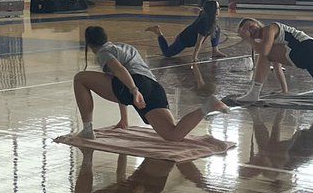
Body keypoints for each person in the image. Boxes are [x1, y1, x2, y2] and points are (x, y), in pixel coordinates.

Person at [74, 26, 226, 140]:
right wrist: (124, 119)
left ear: (90, 44)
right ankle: (208, 106)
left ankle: (88, 129)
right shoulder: (124, 47)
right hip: (154, 87)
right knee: (173, 134)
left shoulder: (103, 52)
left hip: (136, 84)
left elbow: (120, 71)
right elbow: (119, 79)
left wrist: (134, 90)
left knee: (80, 78)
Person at [236, 19, 313, 104]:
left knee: (264, 54)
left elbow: (265, 52)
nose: (251, 30)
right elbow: (277, 67)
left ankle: (254, 93)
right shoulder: (272, 45)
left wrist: (248, 39)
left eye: (251, 26)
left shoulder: (269, 28)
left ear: (257, 23)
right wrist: (284, 90)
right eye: (247, 30)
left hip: (307, 49)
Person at [148, 0, 225, 62]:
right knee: (167, 53)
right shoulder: (205, 24)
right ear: (212, 10)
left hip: (190, 37)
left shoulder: (207, 15)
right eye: (218, 8)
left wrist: (190, 9)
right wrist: (194, 57)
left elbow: (198, 10)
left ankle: (215, 50)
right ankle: (158, 32)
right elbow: (199, 42)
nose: (219, 9)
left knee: (216, 28)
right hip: (184, 39)